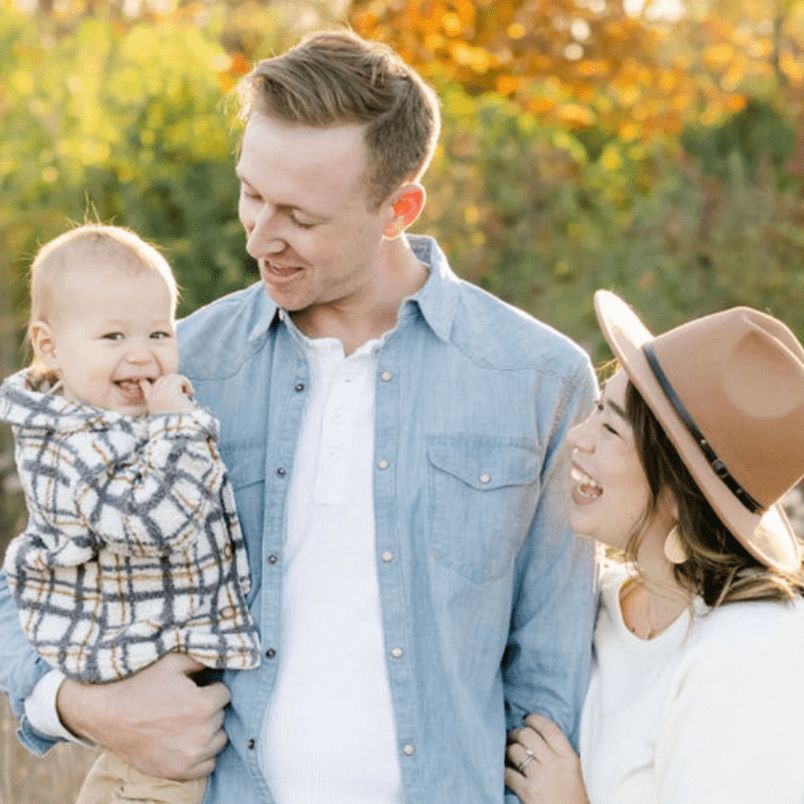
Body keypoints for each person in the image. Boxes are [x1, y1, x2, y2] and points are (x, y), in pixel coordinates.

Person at [0, 31, 597, 802]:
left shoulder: (536, 378)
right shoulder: (172, 366)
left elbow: (551, 669)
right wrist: (86, 708)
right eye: (251, 192)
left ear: (398, 208)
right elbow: (28, 586)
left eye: (299, 217)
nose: (257, 235)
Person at [505, 290, 804, 803]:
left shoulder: (753, 653)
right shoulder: (596, 599)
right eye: (597, 407)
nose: (578, 437)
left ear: (676, 491)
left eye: (611, 426)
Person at [0, 224, 260, 804]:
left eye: (159, 333)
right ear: (49, 346)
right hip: (138, 670)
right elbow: (154, 522)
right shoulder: (74, 443)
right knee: (147, 786)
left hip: (160, 666)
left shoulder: (101, 420)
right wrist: (176, 425)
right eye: (113, 335)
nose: (142, 354)